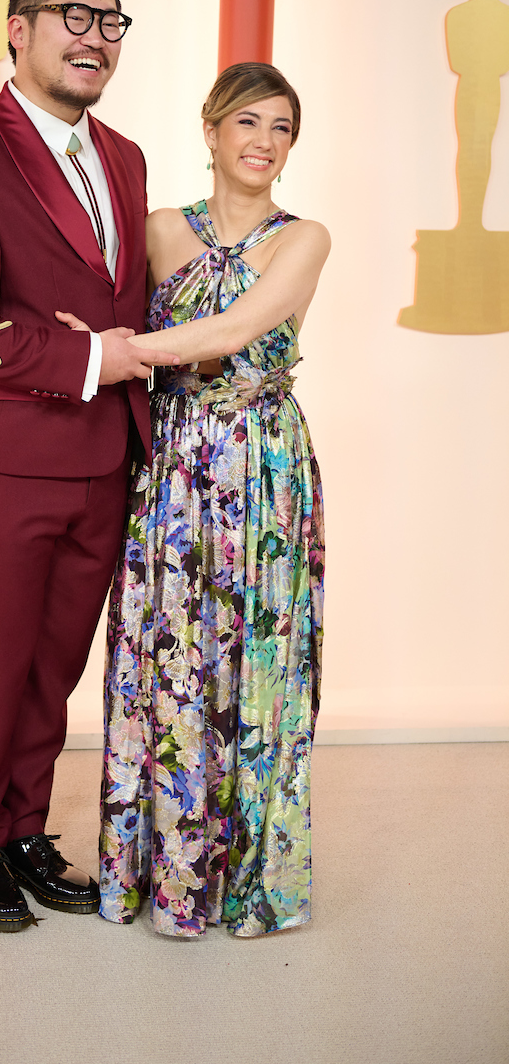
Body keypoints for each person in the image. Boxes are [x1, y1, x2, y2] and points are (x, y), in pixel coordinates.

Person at [0, 0, 176, 933]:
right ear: (18, 30)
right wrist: (88, 358)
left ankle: (23, 826)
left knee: (54, 662)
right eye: (76, 17)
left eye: (110, 23)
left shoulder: (124, 156)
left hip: (101, 461)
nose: (96, 40)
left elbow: (125, 296)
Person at [59, 62, 329, 937]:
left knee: (255, 659)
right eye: (246, 122)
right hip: (171, 467)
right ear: (210, 131)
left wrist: (120, 345)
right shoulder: (159, 228)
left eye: (281, 127)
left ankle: (248, 882)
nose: (262, 141)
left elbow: (238, 329)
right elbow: (88, 303)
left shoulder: (306, 238)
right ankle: (163, 878)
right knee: (169, 657)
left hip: (263, 470)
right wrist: (70, 338)